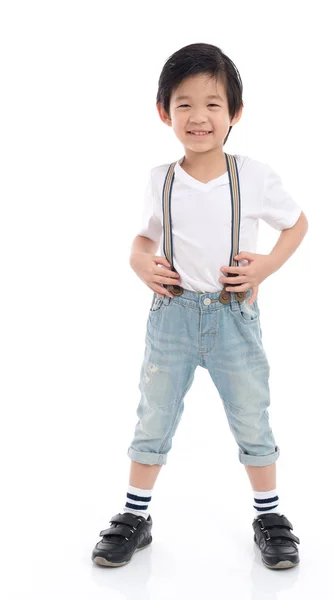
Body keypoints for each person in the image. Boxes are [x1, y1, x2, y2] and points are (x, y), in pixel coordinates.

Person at [92, 42, 308, 570]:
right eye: (184, 103)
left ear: (235, 113)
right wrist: (138, 261)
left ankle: (270, 515)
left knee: (251, 417)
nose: (199, 116)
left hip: (234, 316)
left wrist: (266, 267)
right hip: (172, 317)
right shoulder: (160, 180)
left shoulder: (253, 175)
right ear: (164, 111)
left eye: (213, 104)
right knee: (154, 416)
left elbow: (296, 224)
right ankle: (134, 515)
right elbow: (143, 242)